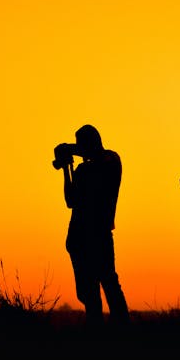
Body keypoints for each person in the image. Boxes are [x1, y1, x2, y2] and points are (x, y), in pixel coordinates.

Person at [54, 125, 129, 324]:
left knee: (107, 282)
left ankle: (113, 329)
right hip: (85, 235)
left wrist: (73, 151)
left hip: (92, 233)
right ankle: (107, 329)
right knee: (94, 288)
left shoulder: (109, 160)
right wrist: (67, 169)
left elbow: (72, 199)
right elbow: (71, 201)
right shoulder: (86, 168)